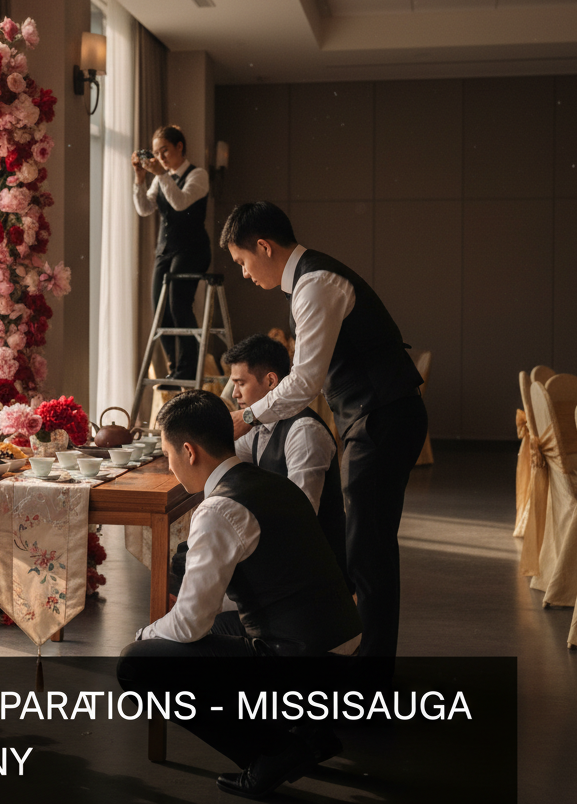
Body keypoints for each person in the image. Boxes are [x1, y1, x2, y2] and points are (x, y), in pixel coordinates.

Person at [117, 390, 362, 798]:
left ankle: (272, 753)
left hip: (303, 660)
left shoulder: (218, 509)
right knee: (213, 629)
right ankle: (311, 732)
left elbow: (190, 624)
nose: (170, 466)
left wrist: (147, 633)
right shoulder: (272, 482)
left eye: (168, 454)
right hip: (342, 643)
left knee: (138, 663)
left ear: (189, 451)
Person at [219, 201, 428, 659]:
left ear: (263, 246)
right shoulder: (309, 281)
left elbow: (304, 382)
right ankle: (363, 655)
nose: (244, 273)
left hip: (382, 416)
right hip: (374, 416)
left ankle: (371, 670)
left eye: (242, 261)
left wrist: (246, 417)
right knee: (367, 545)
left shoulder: (315, 284)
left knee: (368, 548)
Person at [226, 333, 347, 577]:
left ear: (271, 381)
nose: (234, 394)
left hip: (314, 569)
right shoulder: (259, 426)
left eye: (240, 383)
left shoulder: (304, 431)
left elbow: (301, 515)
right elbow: (224, 456)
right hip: (284, 551)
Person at [132, 125, 210, 387]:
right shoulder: (160, 177)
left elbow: (180, 202)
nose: (160, 157)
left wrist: (161, 175)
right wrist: (140, 178)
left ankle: (189, 369)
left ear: (179, 147)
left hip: (192, 249)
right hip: (165, 250)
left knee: (178, 304)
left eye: (164, 150)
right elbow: (144, 208)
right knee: (159, 308)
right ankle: (175, 368)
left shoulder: (198, 175)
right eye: (156, 153)